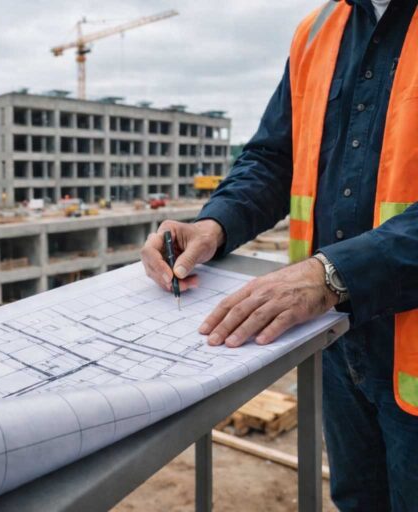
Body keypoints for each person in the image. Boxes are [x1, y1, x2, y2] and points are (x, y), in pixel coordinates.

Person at [141, 1, 418, 510]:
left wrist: (332, 274)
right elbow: (274, 156)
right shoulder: (316, 33)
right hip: (340, 338)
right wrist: (214, 223)